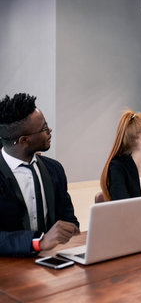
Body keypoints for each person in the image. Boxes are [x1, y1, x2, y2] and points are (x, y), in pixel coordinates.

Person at [0, 93, 79, 257]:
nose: (49, 130)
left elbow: (69, 219)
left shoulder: (54, 169)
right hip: (8, 267)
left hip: (52, 261)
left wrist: (70, 229)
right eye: (44, 128)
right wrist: (38, 242)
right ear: (24, 140)